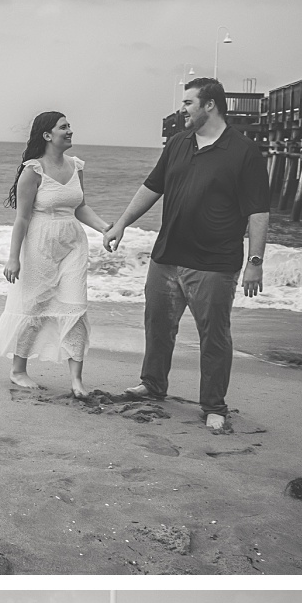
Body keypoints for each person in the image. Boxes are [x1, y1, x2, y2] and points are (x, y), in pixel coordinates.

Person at [102, 78, 271, 433]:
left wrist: (255, 262)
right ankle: (152, 384)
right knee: (158, 326)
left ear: (210, 105)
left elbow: (258, 212)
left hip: (213, 263)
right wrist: (122, 223)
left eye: (189, 102)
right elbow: (152, 187)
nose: (183, 109)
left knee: (214, 336)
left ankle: (213, 405)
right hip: (167, 256)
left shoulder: (242, 152)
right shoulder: (179, 143)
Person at [0, 112, 112, 398]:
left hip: (73, 244)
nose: (70, 131)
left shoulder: (76, 165)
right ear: (47, 135)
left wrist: (105, 228)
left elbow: (80, 207)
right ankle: (18, 370)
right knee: (35, 307)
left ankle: (77, 380)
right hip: (40, 244)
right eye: (63, 127)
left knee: (75, 307)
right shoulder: (33, 170)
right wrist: (13, 257)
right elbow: (21, 219)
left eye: (69, 126)